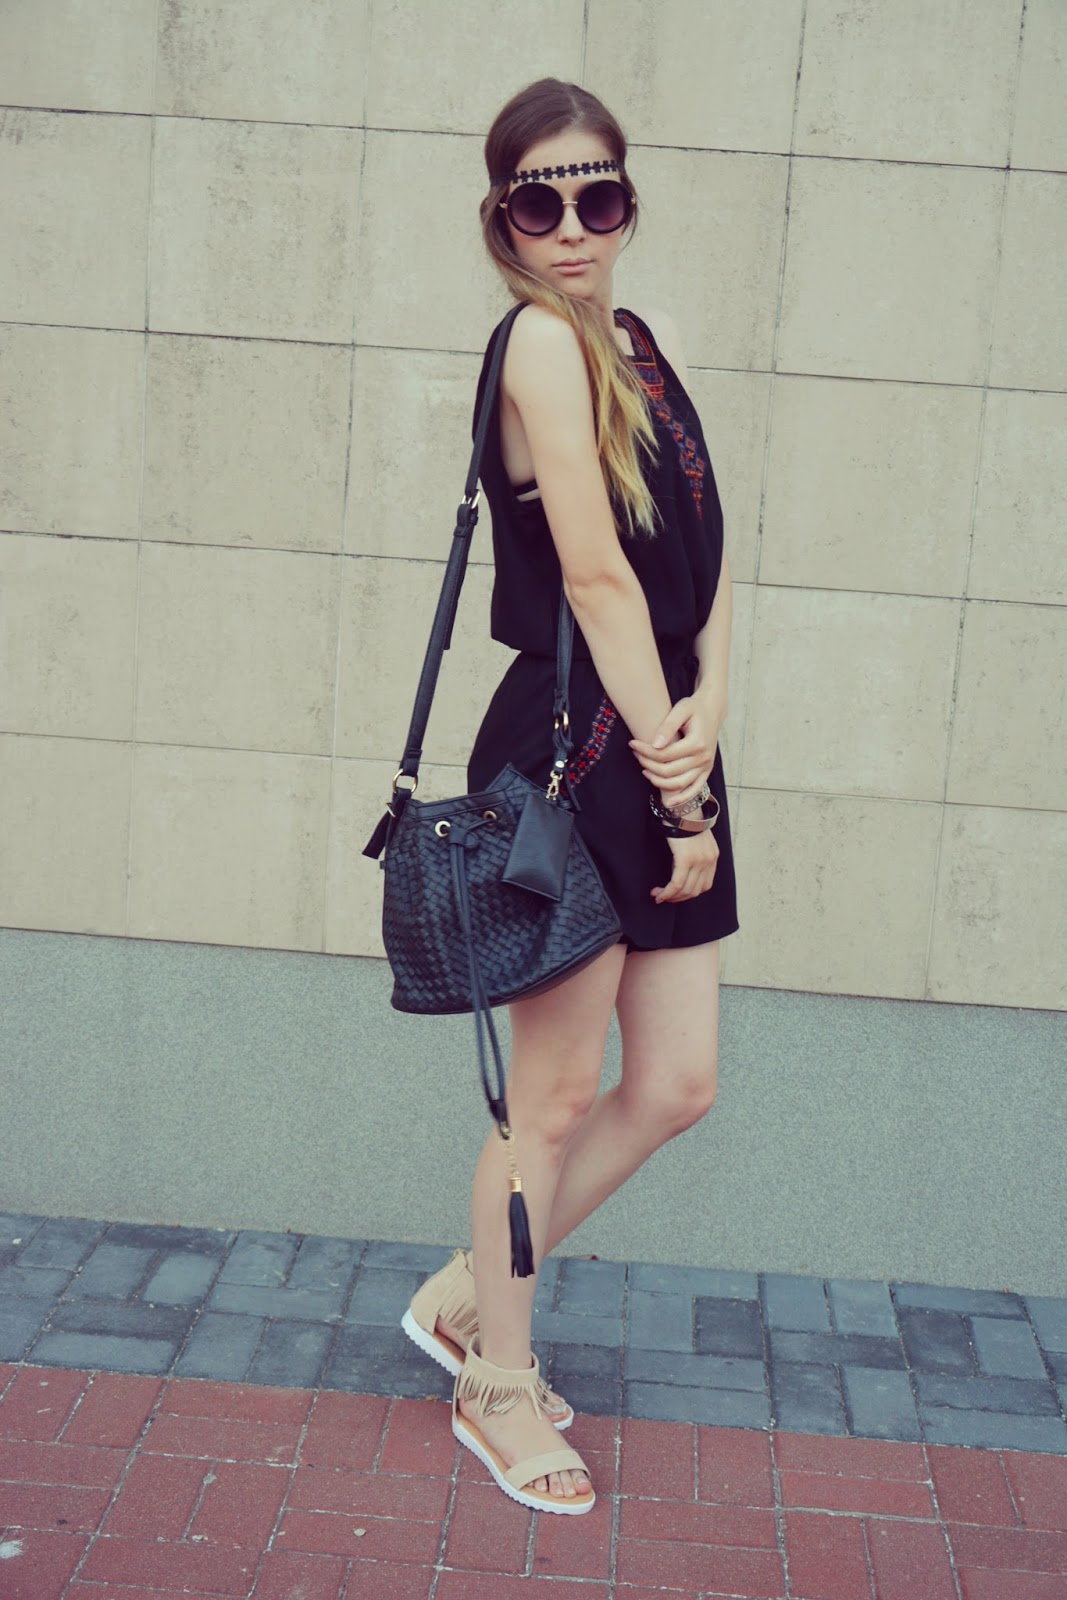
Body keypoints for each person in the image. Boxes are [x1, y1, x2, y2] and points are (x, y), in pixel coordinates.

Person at [401, 78, 739, 1515]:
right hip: (575, 748)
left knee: (674, 1084)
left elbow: (707, 550)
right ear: (504, 222)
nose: (573, 227)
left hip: (665, 733)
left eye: (598, 195)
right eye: (539, 203)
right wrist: (675, 779)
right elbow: (596, 578)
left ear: (627, 202)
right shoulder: (539, 345)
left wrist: (713, 700)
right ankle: (497, 1380)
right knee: (548, 1097)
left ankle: (470, 1287)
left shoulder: (641, 345)